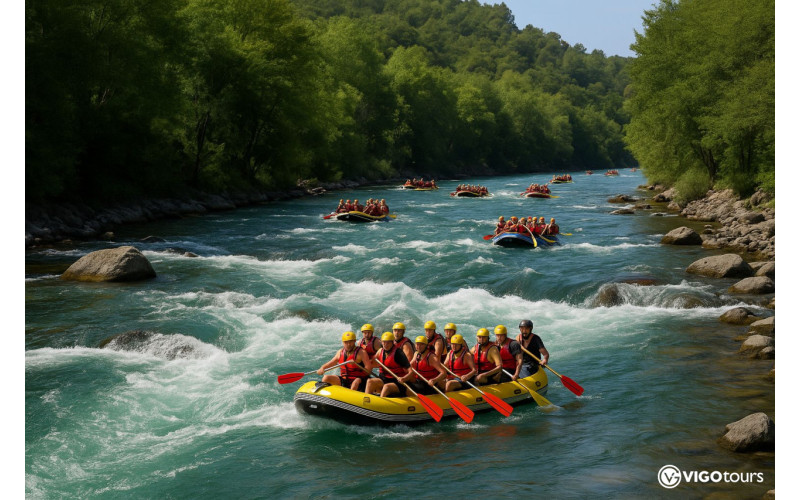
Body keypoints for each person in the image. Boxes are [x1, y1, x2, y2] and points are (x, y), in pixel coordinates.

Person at [364, 332, 414, 397]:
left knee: (386, 387)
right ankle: (365, 402)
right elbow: (372, 364)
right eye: (384, 342)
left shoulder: (398, 353)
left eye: (388, 342)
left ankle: (380, 404)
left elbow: (411, 371)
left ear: (392, 342)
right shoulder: (380, 351)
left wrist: (404, 378)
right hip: (384, 379)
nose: (386, 344)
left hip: (397, 382)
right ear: (381, 342)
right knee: (370, 381)